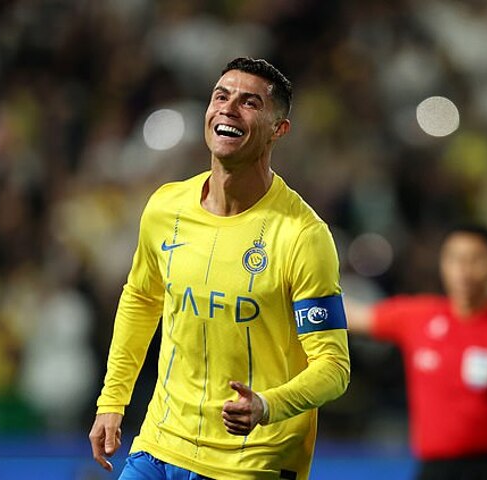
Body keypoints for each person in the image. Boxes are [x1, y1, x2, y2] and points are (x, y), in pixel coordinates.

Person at [89, 57, 350, 480]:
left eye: (249, 102)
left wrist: (267, 405)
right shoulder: (166, 207)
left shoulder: (303, 235)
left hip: (252, 460)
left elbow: (334, 367)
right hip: (161, 443)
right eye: (221, 96)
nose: (228, 108)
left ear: (279, 129)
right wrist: (112, 401)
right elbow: (141, 301)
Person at [345, 224, 487, 480]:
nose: (463, 271)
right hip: (432, 470)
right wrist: (306, 286)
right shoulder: (418, 317)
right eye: (455, 259)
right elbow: (353, 317)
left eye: (475, 259)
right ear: (442, 264)